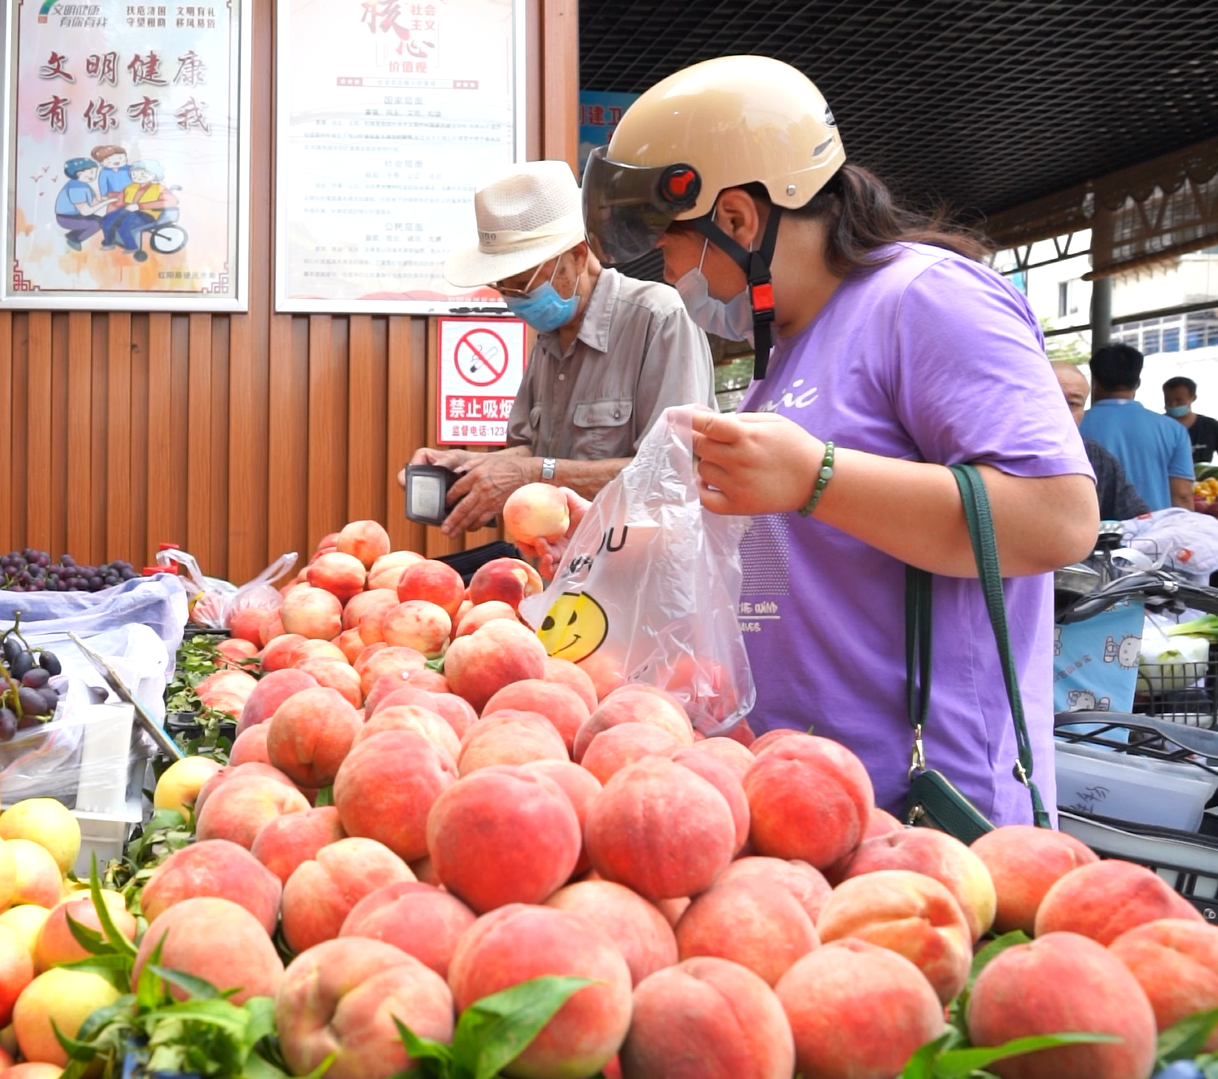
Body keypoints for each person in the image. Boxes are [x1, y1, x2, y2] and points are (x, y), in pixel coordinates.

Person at [580, 55, 1097, 824]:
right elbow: (808, 557)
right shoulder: (786, 351)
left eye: (672, 244)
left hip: (925, 808)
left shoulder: (925, 299)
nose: (673, 271)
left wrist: (816, 476)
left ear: (736, 219)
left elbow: (1059, 519)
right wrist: (612, 540)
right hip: (798, 792)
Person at [404, 160, 715, 536]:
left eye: (523, 284)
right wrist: (466, 466)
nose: (512, 300)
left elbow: (673, 470)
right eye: (503, 288)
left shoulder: (659, 318)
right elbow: (531, 451)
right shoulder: (549, 339)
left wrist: (536, 474)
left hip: (638, 572)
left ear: (579, 256)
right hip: (559, 568)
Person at [1079, 344, 1193, 510]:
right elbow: (1182, 495)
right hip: (1154, 531)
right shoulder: (1174, 430)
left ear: (1094, 381)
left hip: (1096, 531)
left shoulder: (1073, 426)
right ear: (1138, 383)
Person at [1053, 361, 1149, 520]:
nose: (1061, 411)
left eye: (1072, 404)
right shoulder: (999, 453)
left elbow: (1136, 520)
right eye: (1052, 399)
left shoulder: (1096, 458)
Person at [54, 157, 111, 249]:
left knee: (102, 221)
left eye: (95, 172)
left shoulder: (83, 185)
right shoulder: (76, 187)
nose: (94, 175)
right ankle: (74, 239)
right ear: (79, 173)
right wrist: (107, 202)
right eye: (91, 172)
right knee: (95, 224)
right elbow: (86, 211)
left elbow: (91, 203)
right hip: (66, 218)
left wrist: (101, 199)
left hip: (76, 215)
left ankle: (72, 236)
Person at [1163, 376, 1218, 465]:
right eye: (1168, 400)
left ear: (1193, 398)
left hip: (1203, 477)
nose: (1173, 404)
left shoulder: (1211, 426)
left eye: (1178, 400)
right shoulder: (1156, 426)